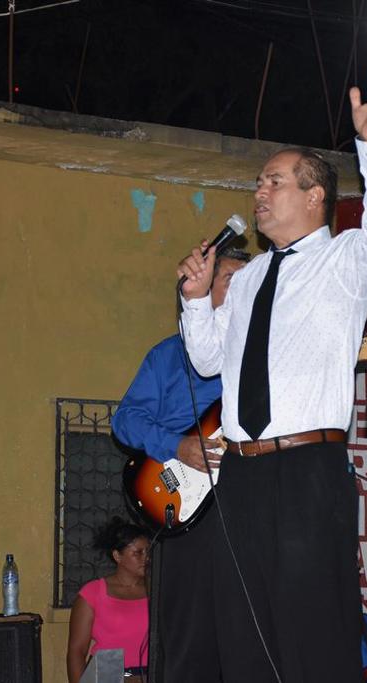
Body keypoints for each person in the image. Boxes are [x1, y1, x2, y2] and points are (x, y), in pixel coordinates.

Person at [175, 57, 367, 682]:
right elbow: (204, 361)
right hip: (242, 473)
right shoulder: (246, 279)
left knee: (310, 629)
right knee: (242, 631)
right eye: (258, 182)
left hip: (308, 470)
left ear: (315, 196)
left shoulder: (345, 261)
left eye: (274, 181)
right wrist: (197, 301)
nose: (260, 192)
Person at [111, 247, 249, 681]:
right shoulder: (168, 356)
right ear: (204, 290)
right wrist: (176, 445)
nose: (242, 290)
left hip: (245, 502)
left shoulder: (267, 362)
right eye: (230, 280)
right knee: (186, 631)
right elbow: (126, 420)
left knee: (244, 624)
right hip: (179, 502)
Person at [67, 517, 150, 683]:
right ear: (117, 556)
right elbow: (77, 651)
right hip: (106, 673)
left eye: (148, 551)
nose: (146, 558)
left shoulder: (155, 591)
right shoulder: (93, 593)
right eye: (138, 553)